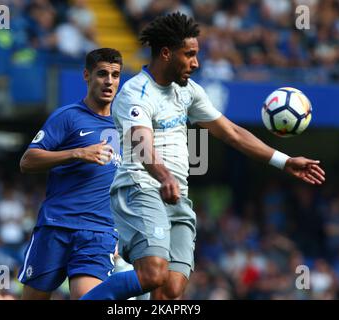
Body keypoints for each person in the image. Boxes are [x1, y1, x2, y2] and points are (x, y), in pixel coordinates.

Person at [79, 12, 325, 301]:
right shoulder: (136, 93)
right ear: (167, 53)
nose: (196, 62)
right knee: (153, 273)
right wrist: (164, 176)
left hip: (177, 195)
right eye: (190, 55)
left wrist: (284, 161)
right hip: (140, 188)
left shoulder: (189, 92)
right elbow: (140, 142)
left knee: (170, 291)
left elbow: (231, 133)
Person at [18, 48, 123, 299]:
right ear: (87, 75)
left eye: (115, 75)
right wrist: (78, 153)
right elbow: (27, 161)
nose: (109, 81)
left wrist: (124, 231)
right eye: (102, 74)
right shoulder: (67, 117)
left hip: (100, 233)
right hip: (57, 225)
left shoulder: (127, 126)